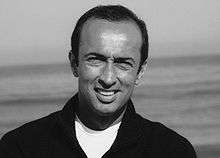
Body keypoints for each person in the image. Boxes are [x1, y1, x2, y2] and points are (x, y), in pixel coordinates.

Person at [0, 5, 197, 158]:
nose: (108, 78)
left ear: (140, 71)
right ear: (74, 63)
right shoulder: (21, 147)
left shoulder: (171, 150)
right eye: (96, 59)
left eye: (123, 63)